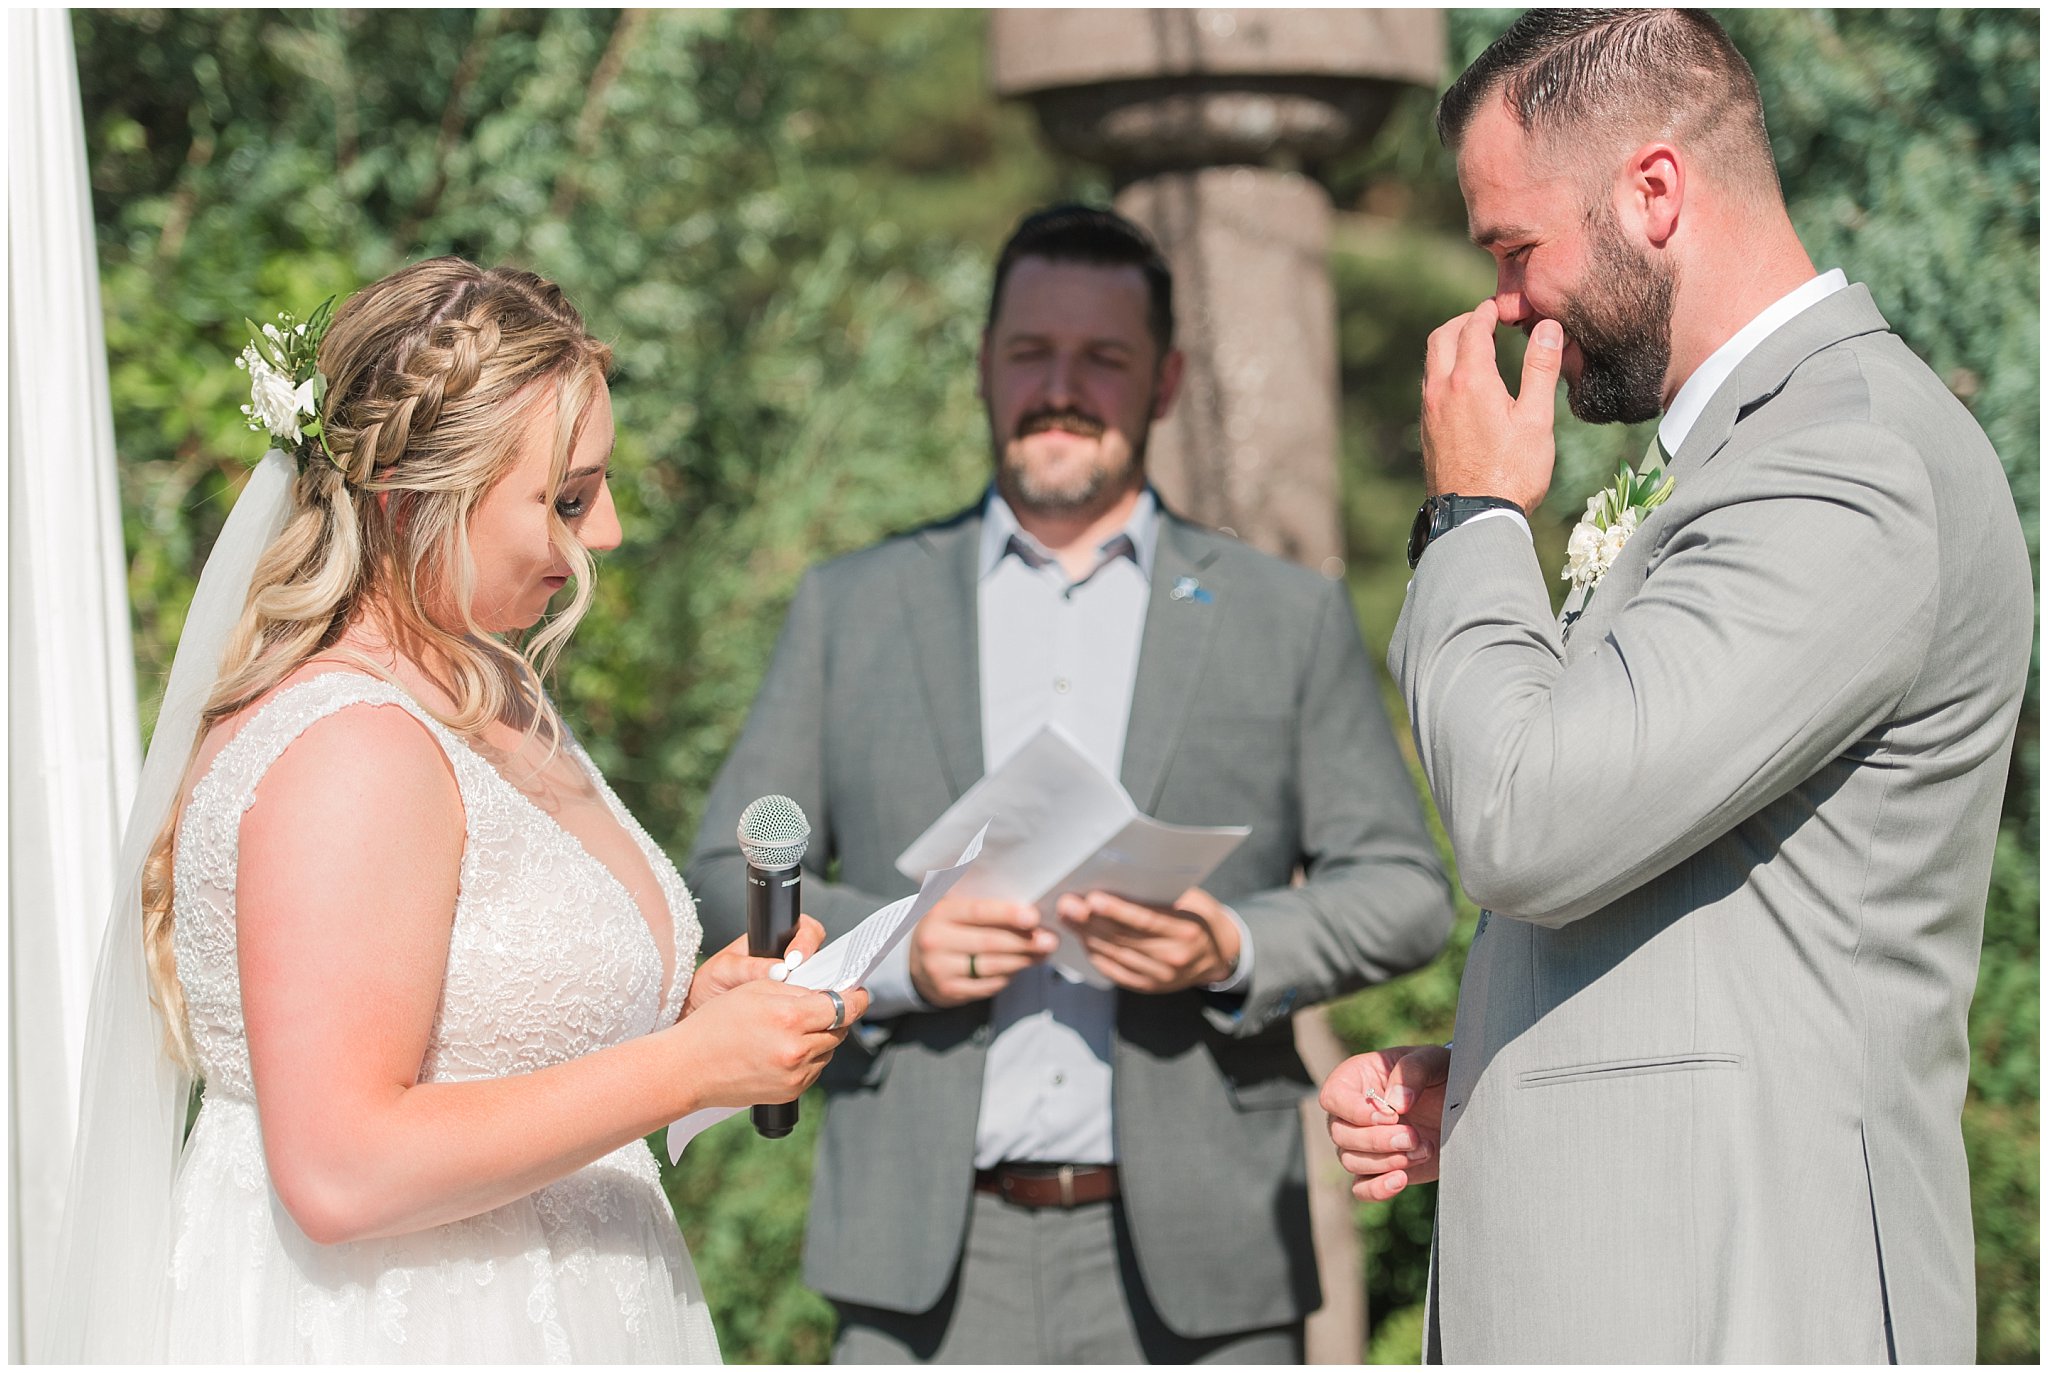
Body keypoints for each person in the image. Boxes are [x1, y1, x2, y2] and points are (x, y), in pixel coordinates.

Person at [1321, 9, 2031, 1364]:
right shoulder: (1734, 464)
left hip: (1748, 1302)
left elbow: (1526, 819)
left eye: (1514, 251)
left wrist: (1470, 515)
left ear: (1655, 189)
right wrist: (1512, 1075)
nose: (1502, 309)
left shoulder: (1842, 465)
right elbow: (1706, 906)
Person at [43, 258, 868, 1361]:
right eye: (567, 498)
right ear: (413, 496)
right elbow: (341, 1166)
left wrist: (692, 1018)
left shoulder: (492, 690)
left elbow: (492, 1046)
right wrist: (689, 1068)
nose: (607, 532)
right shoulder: (352, 747)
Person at [686, 204, 1454, 1363]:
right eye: (1029, 352)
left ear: (1163, 380)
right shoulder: (852, 606)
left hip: (1205, 1265)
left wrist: (1230, 947)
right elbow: (724, 872)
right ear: (986, 366)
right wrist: (897, 951)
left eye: (1102, 358)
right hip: (921, 1268)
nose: (1061, 386)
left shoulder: (1277, 613)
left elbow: (1401, 888)